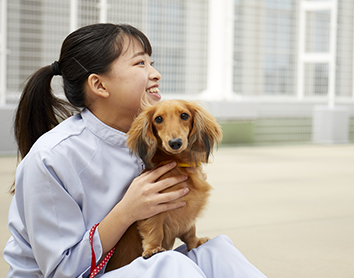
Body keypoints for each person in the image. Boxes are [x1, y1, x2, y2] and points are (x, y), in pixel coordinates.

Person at [3, 23, 267, 278]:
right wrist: (127, 210)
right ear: (100, 85)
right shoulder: (52, 156)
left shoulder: (147, 138)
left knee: (217, 252)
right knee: (170, 265)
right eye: (140, 63)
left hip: (130, 267)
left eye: (152, 63)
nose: (155, 74)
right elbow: (62, 270)